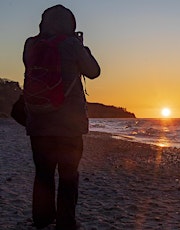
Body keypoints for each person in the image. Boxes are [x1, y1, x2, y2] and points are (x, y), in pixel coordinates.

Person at [23, 5, 100, 229]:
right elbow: (94, 72)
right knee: (68, 175)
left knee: (43, 174)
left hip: (38, 123)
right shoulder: (72, 45)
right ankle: (66, 223)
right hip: (69, 126)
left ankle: (42, 219)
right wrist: (84, 49)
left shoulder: (30, 44)